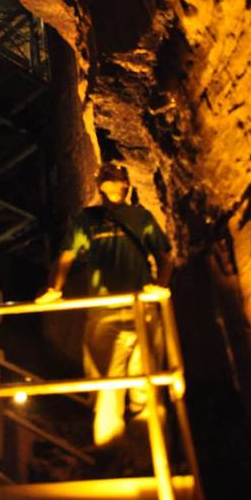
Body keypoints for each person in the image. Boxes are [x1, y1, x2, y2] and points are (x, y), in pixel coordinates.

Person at [37, 162, 173, 455]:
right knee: (108, 384)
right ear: (101, 185)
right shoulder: (87, 220)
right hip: (105, 310)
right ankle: (112, 451)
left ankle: (148, 455)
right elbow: (65, 258)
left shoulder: (140, 217)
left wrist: (160, 285)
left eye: (116, 178)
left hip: (142, 307)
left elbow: (165, 257)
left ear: (126, 184)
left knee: (146, 384)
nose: (112, 183)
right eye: (107, 178)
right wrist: (54, 289)